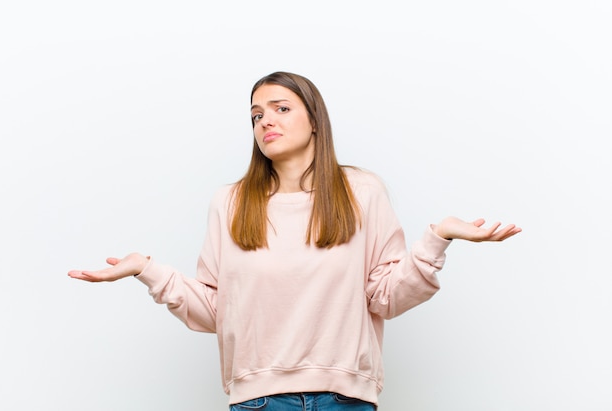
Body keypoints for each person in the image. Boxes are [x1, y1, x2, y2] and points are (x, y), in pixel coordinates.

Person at [68, 71, 521, 410]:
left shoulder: (360, 192)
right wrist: (147, 269)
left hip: (345, 398)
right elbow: (215, 310)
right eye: (256, 114)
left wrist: (437, 237)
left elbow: (385, 296)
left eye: (281, 108)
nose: (266, 120)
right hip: (258, 400)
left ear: (314, 120)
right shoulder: (230, 202)